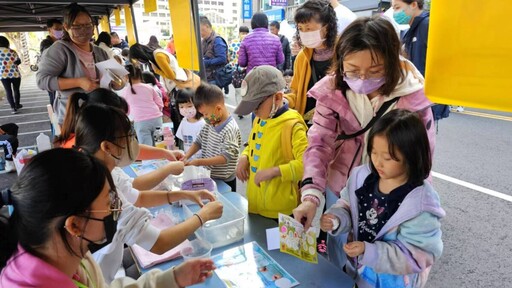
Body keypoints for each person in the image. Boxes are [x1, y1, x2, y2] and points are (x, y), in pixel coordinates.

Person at [292, 16, 436, 270]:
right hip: (343, 187)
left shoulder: (413, 96)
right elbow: (319, 143)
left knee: (384, 258)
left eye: (375, 70)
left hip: (394, 194)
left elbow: (422, 157)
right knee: (339, 249)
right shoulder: (333, 90)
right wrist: (311, 195)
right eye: (353, 70)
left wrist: (408, 198)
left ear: (392, 63)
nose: (362, 78)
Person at [0, 148, 217, 287]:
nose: (118, 207)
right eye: (109, 202)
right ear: (75, 225)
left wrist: (171, 279)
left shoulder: (73, 255)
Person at [74, 104, 223, 282]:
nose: (132, 142)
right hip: (100, 278)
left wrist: (184, 194)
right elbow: (158, 243)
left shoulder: (102, 171)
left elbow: (137, 197)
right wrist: (203, 216)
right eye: (128, 137)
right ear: (107, 147)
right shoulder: (101, 191)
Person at [320, 109, 444, 287]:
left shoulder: (420, 204)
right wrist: (337, 219)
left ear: (411, 156)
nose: (377, 162)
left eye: (387, 157)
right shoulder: (361, 178)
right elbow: (347, 205)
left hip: (391, 282)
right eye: (373, 152)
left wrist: (369, 251)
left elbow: (418, 255)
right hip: (357, 271)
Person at [57, 88, 184, 192]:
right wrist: (168, 170)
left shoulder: (91, 144)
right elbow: (131, 188)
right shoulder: (89, 165)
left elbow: (127, 149)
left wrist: (165, 153)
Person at [235, 66, 308, 219]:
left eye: (257, 106)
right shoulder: (261, 119)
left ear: (277, 98)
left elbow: (306, 165)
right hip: (255, 203)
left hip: (280, 210)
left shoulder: (292, 125)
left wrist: (274, 171)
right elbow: (251, 144)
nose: (254, 112)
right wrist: (245, 157)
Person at [36, 3, 115, 124]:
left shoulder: (100, 52)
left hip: (101, 113)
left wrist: (120, 80)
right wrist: (79, 82)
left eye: (88, 25)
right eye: (77, 26)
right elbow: (42, 81)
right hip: (74, 119)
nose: (83, 30)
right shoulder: (59, 50)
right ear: (66, 27)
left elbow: (115, 81)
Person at [392, 0, 450, 124]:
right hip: (415, 96)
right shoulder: (408, 31)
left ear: (413, 4)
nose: (395, 13)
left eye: (397, 7)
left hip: (426, 98)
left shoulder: (428, 25)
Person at [285, 0, 337, 124]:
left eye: (309, 28)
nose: (304, 33)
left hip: (337, 124)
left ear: (327, 27)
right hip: (308, 123)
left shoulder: (344, 53)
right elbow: (296, 92)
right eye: (301, 29)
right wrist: (284, 100)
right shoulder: (302, 57)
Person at [183, 82, 241, 192]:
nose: (204, 118)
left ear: (218, 109)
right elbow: (198, 142)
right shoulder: (211, 123)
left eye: (205, 114)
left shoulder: (230, 129)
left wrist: (199, 162)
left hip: (225, 180)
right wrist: (186, 156)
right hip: (210, 176)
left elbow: (225, 158)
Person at [129, 43, 200, 91]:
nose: (139, 61)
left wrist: (157, 71)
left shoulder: (158, 56)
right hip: (179, 85)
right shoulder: (155, 55)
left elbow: (172, 76)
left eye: (137, 59)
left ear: (140, 55)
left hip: (181, 84)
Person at [123, 64, 163, 146]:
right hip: (156, 118)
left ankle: (149, 159)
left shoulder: (126, 91)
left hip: (141, 121)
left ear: (126, 77)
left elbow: (126, 109)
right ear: (140, 75)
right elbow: (159, 103)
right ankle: (162, 157)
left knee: (146, 146)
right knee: (160, 144)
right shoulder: (149, 87)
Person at [199, 16, 230, 95]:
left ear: (207, 26)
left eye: (201, 30)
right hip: (206, 77)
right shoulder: (203, 41)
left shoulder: (217, 40)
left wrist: (206, 62)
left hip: (214, 78)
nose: (200, 33)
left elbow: (223, 59)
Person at [175, 88, 205, 160]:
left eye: (189, 106)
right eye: (181, 107)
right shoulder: (184, 121)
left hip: (201, 160)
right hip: (187, 158)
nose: (185, 109)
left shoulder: (202, 124)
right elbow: (181, 140)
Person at [40, 19, 64, 106]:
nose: (60, 31)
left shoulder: (62, 41)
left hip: (62, 76)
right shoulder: (46, 43)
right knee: (54, 98)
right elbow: (49, 55)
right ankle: (55, 116)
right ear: (49, 30)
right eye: (57, 29)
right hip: (52, 76)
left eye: (61, 29)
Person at [228, 26, 249, 118]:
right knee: (238, 91)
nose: (244, 35)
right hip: (236, 71)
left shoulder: (249, 43)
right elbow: (228, 56)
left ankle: (243, 107)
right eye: (242, 33)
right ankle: (240, 110)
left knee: (245, 90)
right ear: (239, 33)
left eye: (246, 33)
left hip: (246, 71)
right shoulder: (233, 44)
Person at [0, 36, 22, 114]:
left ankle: (13, 108)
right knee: (16, 90)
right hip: (15, 74)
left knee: (8, 91)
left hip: (3, 75)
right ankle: (17, 104)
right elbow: (18, 61)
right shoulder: (12, 51)